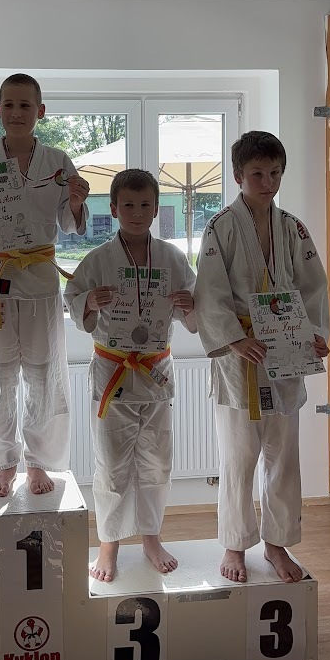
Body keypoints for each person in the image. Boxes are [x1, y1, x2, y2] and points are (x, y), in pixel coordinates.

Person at [0, 73, 89, 497]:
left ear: (40, 111)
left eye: (25, 105)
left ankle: (37, 461)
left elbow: (70, 224)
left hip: (39, 278)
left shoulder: (58, 161)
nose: (16, 112)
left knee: (43, 371)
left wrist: (76, 201)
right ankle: (5, 462)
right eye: (9, 104)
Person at [194, 131, 329, 584]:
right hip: (240, 358)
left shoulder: (292, 227)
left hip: (286, 352)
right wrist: (233, 339)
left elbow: (314, 286)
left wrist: (315, 334)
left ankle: (276, 543)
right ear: (238, 176)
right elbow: (209, 289)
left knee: (284, 455)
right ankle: (235, 544)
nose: (268, 182)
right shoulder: (221, 226)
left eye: (275, 173)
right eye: (258, 174)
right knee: (238, 456)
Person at [65, 169, 196, 583]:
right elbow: (72, 299)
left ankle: (151, 538)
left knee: (157, 461)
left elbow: (195, 309)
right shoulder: (98, 259)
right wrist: (89, 300)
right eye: (128, 205)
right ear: (113, 208)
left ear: (156, 209)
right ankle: (109, 544)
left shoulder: (173, 258)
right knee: (111, 464)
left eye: (144, 205)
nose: (137, 213)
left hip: (156, 370)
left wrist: (189, 302)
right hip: (113, 370)